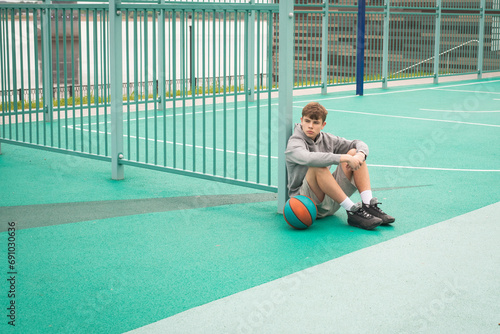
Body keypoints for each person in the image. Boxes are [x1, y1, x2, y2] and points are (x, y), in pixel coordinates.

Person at [285, 102, 395, 230]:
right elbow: (308, 158)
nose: (310, 126)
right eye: (307, 121)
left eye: (315, 122)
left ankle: (368, 205)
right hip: (306, 203)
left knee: (354, 152)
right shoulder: (295, 142)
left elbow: (357, 143)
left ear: (323, 125)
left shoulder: (327, 139)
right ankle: (352, 210)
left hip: (332, 199)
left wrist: (361, 154)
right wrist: (343, 158)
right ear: (301, 120)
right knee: (318, 165)